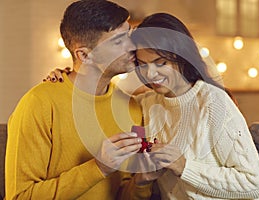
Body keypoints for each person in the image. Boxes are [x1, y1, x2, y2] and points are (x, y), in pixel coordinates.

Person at [47, 13, 259, 199]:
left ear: (182, 57)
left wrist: (183, 166)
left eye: (161, 63)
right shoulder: (146, 104)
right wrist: (68, 75)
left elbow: (254, 183)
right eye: (142, 64)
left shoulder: (213, 102)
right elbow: (99, 94)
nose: (151, 74)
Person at [5, 0, 153, 199]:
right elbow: (20, 196)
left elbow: (124, 194)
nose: (132, 46)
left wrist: (141, 183)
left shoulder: (132, 107)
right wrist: (98, 168)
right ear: (84, 55)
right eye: (118, 41)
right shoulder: (38, 104)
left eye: (129, 35)